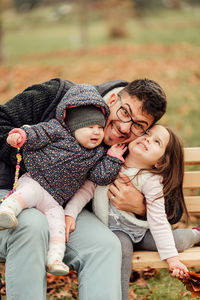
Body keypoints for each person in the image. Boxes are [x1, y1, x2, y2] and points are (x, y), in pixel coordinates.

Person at [0, 77, 192, 300]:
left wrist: (141, 206)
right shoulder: (58, 95)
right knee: (33, 225)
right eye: (125, 113)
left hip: (66, 214)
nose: (124, 127)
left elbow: (174, 208)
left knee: (107, 245)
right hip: (11, 193)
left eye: (139, 125)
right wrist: (44, 163)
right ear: (112, 99)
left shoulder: (130, 145)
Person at [0, 84, 126, 276]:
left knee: (58, 224)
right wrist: (22, 136)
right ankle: (7, 210)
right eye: (90, 127)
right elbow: (37, 134)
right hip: (36, 180)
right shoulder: (57, 130)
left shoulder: (98, 154)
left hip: (55, 200)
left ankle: (55, 258)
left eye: (100, 127)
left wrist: (113, 160)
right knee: (26, 194)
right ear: (74, 126)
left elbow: (100, 176)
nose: (96, 132)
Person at [65, 124, 200, 300]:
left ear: (160, 162)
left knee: (179, 240)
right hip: (115, 233)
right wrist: (70, 214)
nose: (147, 139)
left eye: (156, 141)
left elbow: (158, 220)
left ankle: (196, 234)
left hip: (142, 232)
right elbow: (85, 191)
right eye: (146, 133)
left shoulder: (152, 182)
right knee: (122, 245)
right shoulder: (109, 164)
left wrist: (172, 260)